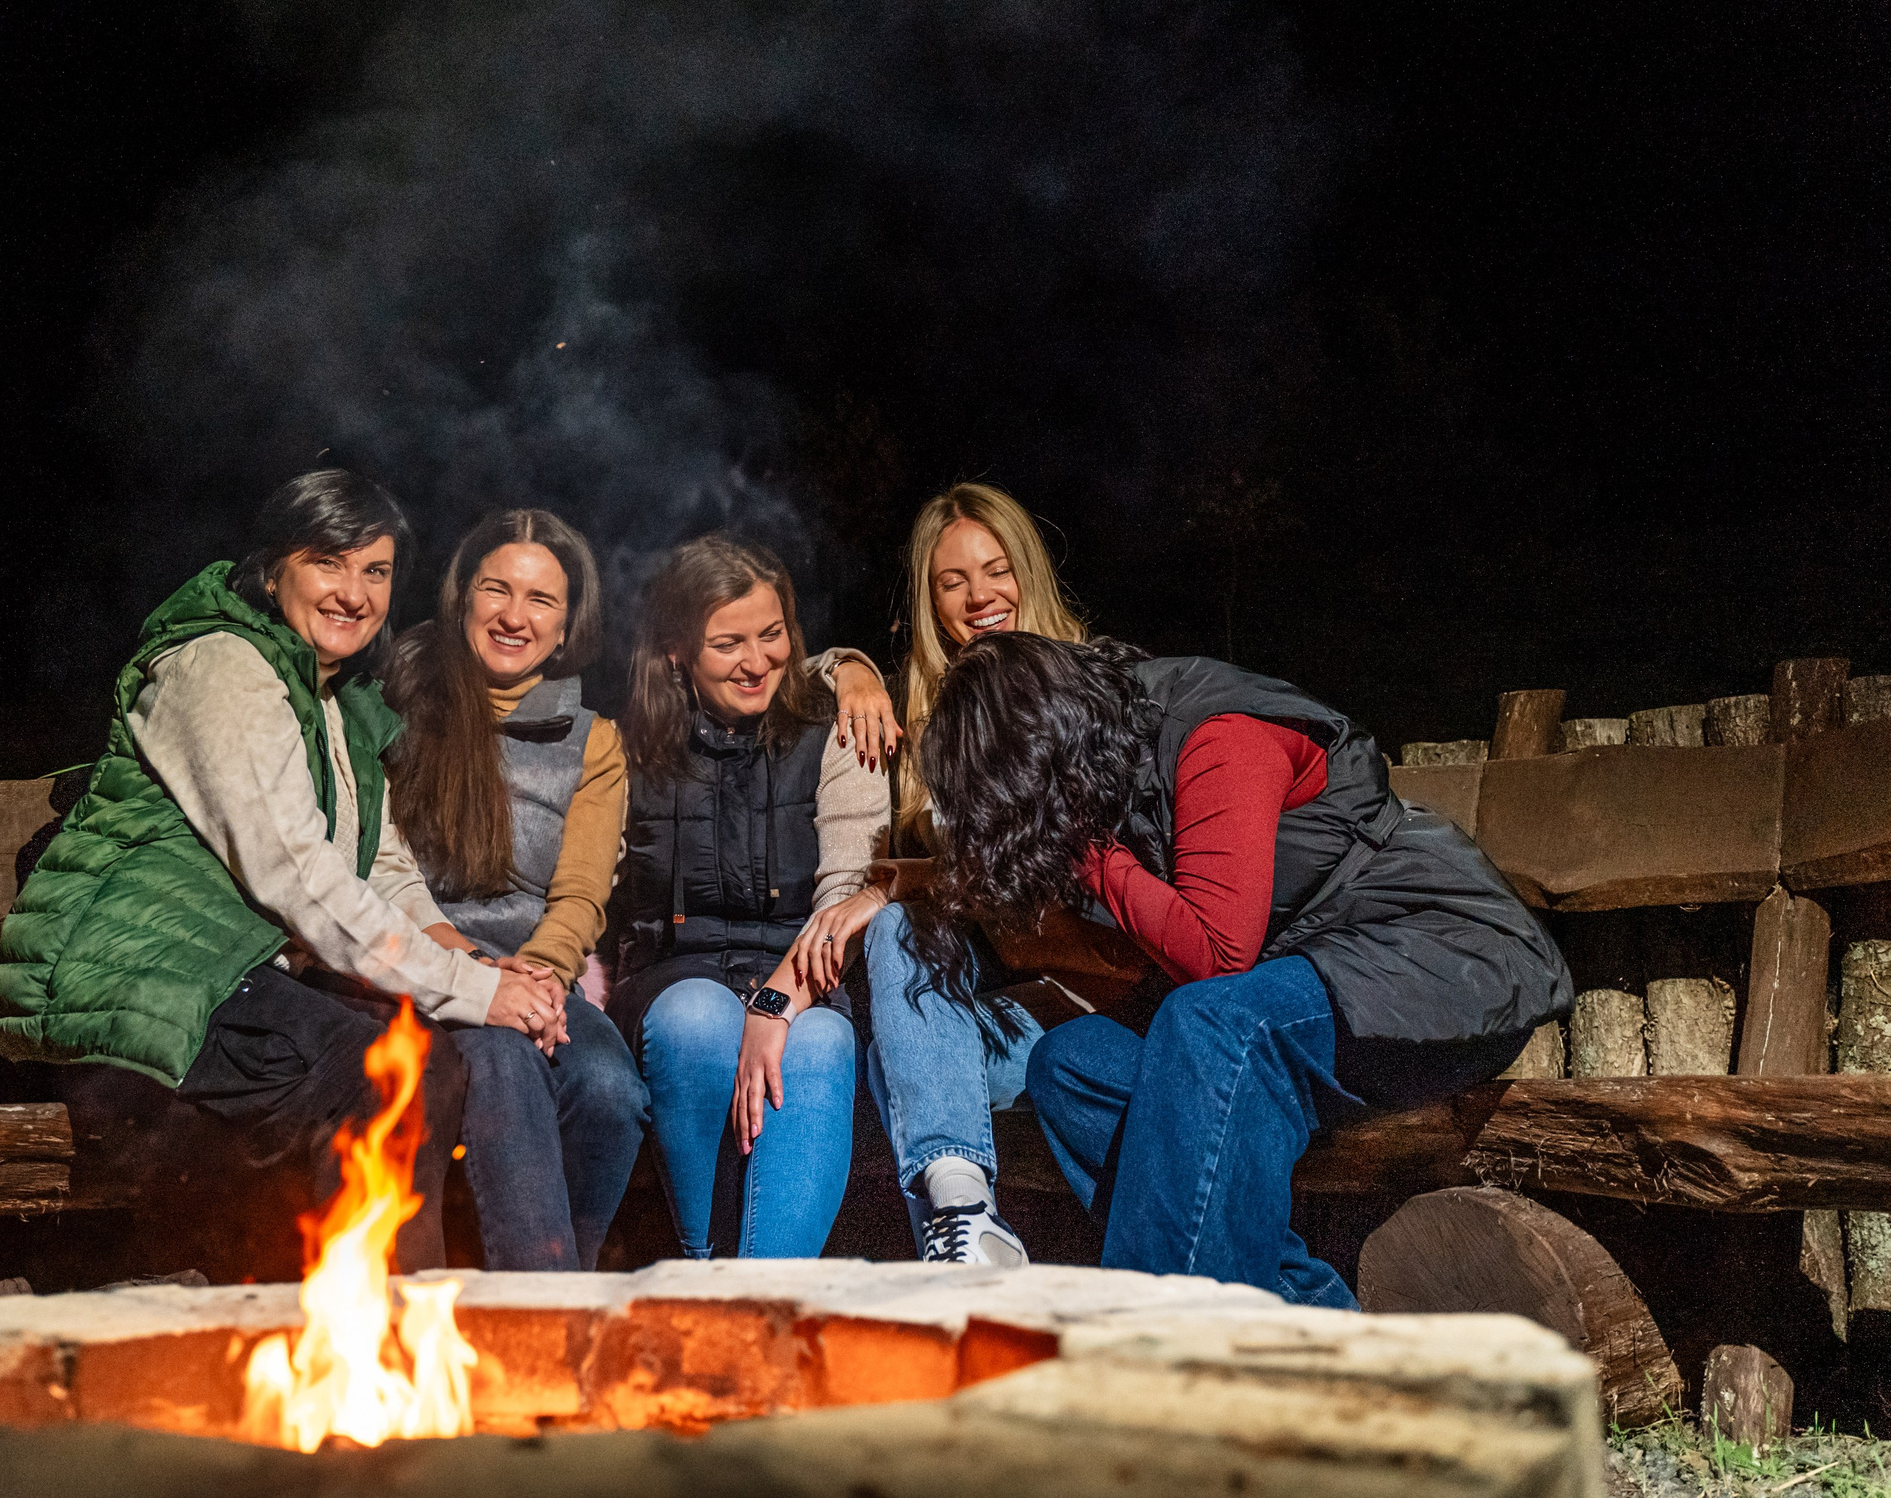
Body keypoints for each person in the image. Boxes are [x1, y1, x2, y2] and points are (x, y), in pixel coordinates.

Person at [0, 469, 567, 1276]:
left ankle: (387, 1346)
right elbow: (296, 873)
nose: (354, 593)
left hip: (230, 982)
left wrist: (462, 959)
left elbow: (381, 861)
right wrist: (472, 992)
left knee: (425, 1065)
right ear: (272, 570)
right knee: (383, 1081)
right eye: (329, 562)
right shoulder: (222, 668)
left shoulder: (339, 701)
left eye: (376, 571)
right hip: (141, 986)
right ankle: (371, 1349)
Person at [916, 631, 1572, 1304]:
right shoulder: (1116, 763)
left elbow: (1216, 954)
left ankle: (1165, 1354)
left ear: (1040, 754)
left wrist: (1090, 850)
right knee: (1071, 1060)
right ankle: (1312, 1338)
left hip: (1442, 963)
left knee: (1211, 1022)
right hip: (1307, 996)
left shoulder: (1216, 734)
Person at [793, 482, 1090, 1265]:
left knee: (894, 985)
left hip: (1073, 1026)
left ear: (1027, 571)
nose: (978, 595)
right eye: (951, 581)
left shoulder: (1090, 698)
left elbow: (1052, 882)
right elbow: (764, 667)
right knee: (895, 958)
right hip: (963, 1026)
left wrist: (901, 878)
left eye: (996, 570)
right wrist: (846, 667)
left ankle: (955, 1232)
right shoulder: (923, 717)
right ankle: (965, 1224)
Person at [605, 535, 893, 1260]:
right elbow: (587, 881)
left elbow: (847, 892)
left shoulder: (834, 729)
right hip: (674, 977)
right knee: (698, 1021)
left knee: (824, 1042)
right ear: (676, 649)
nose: (757, 660)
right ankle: (708, 1275)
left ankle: (769, 1301)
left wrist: (777, 1000)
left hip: (802, 973)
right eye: (728, 643)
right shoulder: (627, 744)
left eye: (773, 635)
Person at [385, 508, 648, 1270]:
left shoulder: (593, 740)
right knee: (501, 1063)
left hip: (540, 970)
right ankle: (545, 1324)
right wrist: (475, 977)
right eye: (496, 590)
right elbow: (383, 871)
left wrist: (535, 978)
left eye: (540, 600)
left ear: (567, 626)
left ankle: (561, 1278)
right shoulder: (403, 710)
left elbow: (579, 895)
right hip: (426, 965)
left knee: (607, 1089)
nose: (513, 615)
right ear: (463, 598)